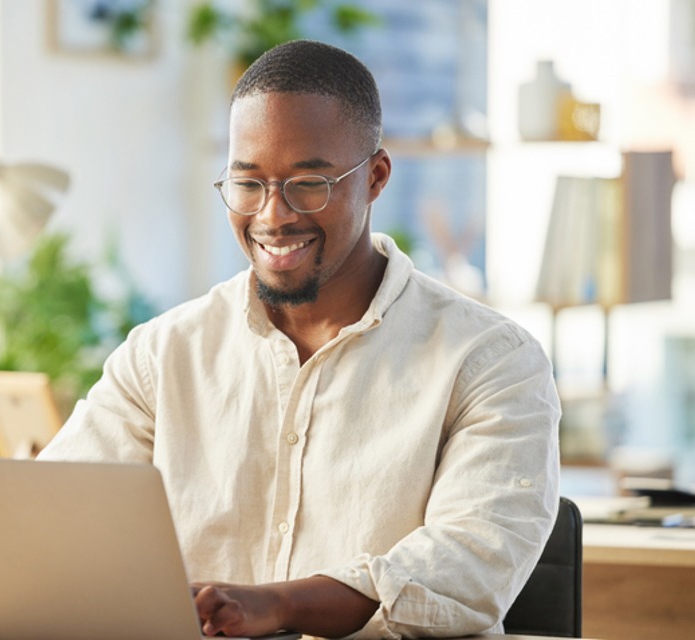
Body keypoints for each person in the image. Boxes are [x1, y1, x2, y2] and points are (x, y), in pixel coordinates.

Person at [37, 39, 560, 639]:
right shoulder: (162, 355)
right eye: (248, 183)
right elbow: (56, 527)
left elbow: (470, 568)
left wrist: (278, 606)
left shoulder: (492, 361)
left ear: (376, 178)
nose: (272, 216)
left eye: (308, 183)